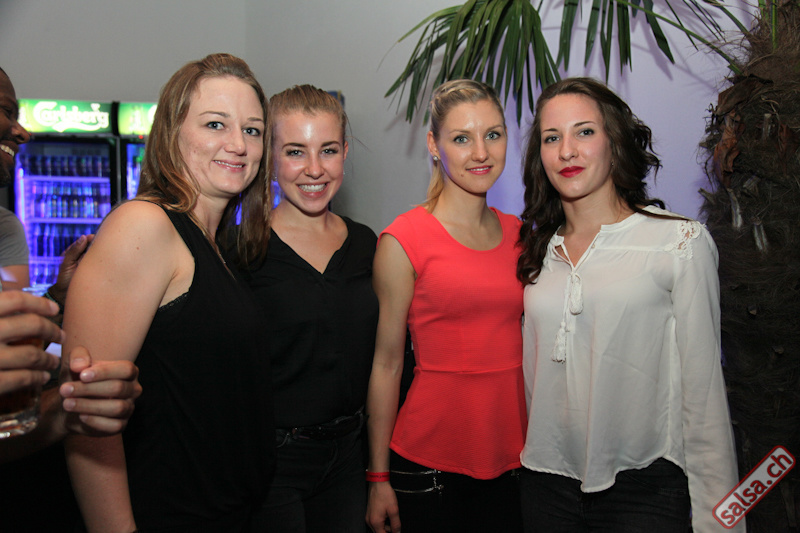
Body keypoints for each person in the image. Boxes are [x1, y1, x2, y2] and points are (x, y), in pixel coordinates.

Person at [516, 77, 742, 532]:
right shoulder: (539, 254)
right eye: (551, 138)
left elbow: (704, 400)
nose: (567, 151)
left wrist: (721, 523)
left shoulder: (677, 242)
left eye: (584, 132)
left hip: (645, 490)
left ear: (614, 143)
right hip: (545, 486)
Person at [63, 53, 275, 532]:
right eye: (216, 124)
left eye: (253, 130)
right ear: (172, 132)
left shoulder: (216, 244)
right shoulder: (144, 225)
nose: (238, 144)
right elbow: (88, 417)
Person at [365, 79, 526, 532]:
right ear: (434, 145)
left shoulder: (521, 235)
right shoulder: (404, 240)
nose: (481, 152)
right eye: (461, 138)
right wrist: (377, 478)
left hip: (515, 457)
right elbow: (387, 364)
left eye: (493, 134)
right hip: (430, 463)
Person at [242, 85, 378, 532]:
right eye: (295, 152)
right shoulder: (242, 249)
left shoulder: (366, 244)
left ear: (344, 154)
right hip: (273, 464)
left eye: (329, 150)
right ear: (270, 159)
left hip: (349, 457)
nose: (315, 169)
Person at [0, 65, 140, 456]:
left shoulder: (6, 229)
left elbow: (12, 347)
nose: (22, 132)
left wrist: (59, 296)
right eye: (6, 111)